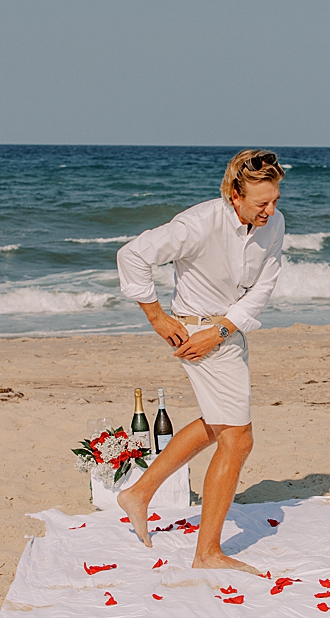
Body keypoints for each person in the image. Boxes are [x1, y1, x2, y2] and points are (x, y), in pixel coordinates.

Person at [115, 147, 286, 571]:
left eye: (275, 200)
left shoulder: (274, 225)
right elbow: (132, 255)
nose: (270, 210)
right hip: (194, 334)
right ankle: (208, 552)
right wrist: (156, 315)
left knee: (215, 423)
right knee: (238, 438)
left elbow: (263, 287)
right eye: (261, 202)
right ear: (235, 194)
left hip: (225, 333)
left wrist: (224, 329)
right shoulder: (198, 223)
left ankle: (139, 493)